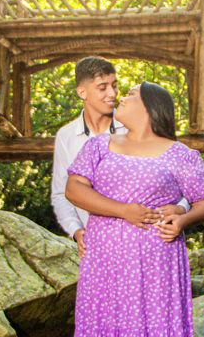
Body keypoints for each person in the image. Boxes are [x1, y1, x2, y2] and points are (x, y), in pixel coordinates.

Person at [64, 81, 204, 337]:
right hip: (104, 261)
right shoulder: (99, 145)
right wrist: (124, 212)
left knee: (143, 333)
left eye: (129, 94)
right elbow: (75, 190)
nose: (119, 98)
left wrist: (180, 220)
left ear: (149, 107)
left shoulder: (180, 155)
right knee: (97, 328)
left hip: (155, 264)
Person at [51, 56, 184, 258]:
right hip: (94, 244)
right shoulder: (66, 137)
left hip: (147, 244)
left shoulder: (136, 125)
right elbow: (62, 193)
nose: (112, 94)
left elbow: (179, 176)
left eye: (114, 85)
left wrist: (180, 209)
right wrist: (76, 231)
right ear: (82, 92)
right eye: (102, 87)